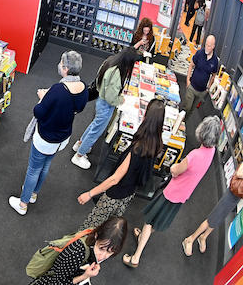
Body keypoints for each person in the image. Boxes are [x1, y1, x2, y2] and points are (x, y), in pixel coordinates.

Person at [123, 116, 222, 268]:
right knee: (158, 221)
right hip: (183, 195)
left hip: (172, 192)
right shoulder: (211, 152)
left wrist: (173, 167)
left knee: (150, 220)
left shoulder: (195, 155)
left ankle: (136, 257)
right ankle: (143, 236)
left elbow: (175, 171)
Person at [9, 51, 88, 215]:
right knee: (45, 165)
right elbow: (78, 108)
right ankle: (33, 194)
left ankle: (23, 203)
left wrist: (42, 97)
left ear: (65, 68)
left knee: (33, 169)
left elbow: (39, 112)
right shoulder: (83, 87)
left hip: (46, 136)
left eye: (61, 63)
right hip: (63, 136)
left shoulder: (58, 90)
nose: (59, 65)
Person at [77, 99, 165, 230]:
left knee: (90, 227)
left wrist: (90, 194)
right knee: (109, 227)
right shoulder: (157, 142)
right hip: (128, 193)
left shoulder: (138, 148)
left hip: (114, 194)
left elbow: (115, 179)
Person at [71, 48, 137, 170]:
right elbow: (111, 98)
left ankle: (80, 144)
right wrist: (121, 100)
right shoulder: (116, 73)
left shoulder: (111, 61)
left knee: (94, 126)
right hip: (106, 105)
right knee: (96, 131)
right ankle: (79, 155)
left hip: (100, 100)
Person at [30, 216, 128, 285]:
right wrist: (84, 276)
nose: (102, 256)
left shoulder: (92, 240)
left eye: (109, 252)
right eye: (101, 248)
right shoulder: (77, 252)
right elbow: (56, 282)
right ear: (96, 236)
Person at [182, 163, 243, 256]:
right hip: (231, 194)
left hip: (237, 197)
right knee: (212, 219)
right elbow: (238, 174)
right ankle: (189, 239)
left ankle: (203, 237)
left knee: (218, 219)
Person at [181, 35, 218, 118]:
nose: (207, 48)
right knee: (187, 107)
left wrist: (208, 88)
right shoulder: (200, 53)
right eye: (206, 45)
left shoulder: (215, 61)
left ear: (213, 46)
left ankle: (184, 124)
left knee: (192, 110)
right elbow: (191, 65)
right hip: (192, 86)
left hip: (202, 91)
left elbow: (214, 75)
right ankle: (180, 121)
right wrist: (188, 81)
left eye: (209, 46)